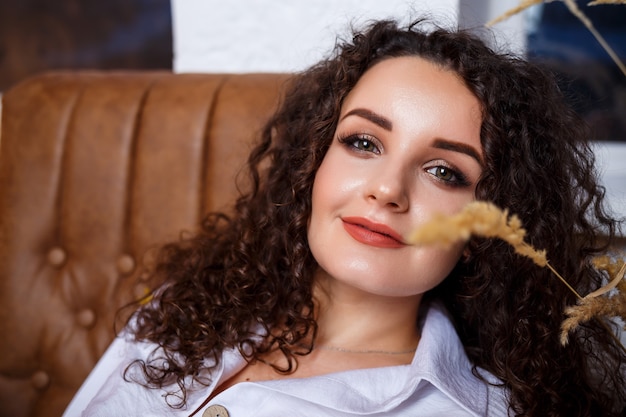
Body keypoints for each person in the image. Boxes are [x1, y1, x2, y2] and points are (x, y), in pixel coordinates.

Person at [63, 18, 626, 417]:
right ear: (313, 162)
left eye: (445, 172)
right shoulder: (181, 310)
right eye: (363, 142)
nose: (387, 190)